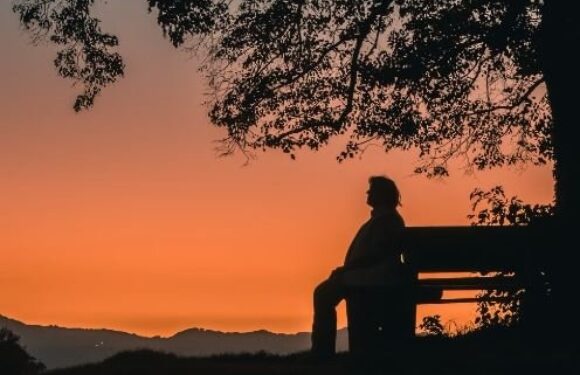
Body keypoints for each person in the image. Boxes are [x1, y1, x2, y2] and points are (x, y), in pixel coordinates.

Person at [311, 175, 406, 358]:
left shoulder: (386, 221)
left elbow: (376, 255)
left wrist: (346, 269)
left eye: (371, 190)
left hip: (369, 279)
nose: (367, 193)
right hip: (364, 277)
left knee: (323, 294)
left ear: (380, 195)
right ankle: (322, 351)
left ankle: (322, 352)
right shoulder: (385, 220)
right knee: (323, 293)